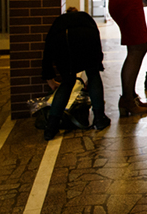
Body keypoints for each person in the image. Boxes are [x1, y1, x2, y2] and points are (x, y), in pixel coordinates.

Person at [41, 7, 109, 140]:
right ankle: (99, 118)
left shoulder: (59, 23)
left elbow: (47, 52)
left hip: (63, 41)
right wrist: (97, 65)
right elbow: (97, 44)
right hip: (87, 38)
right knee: (93, 75)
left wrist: (50, 79)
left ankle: (51, 127)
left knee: (68, 81)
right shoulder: (86, 19)